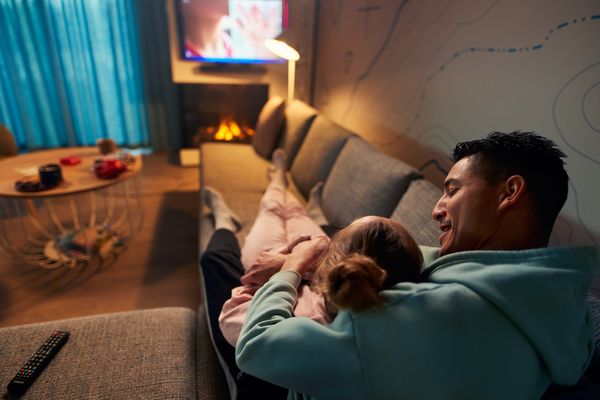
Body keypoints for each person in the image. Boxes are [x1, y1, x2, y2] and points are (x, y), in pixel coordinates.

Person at [222, 131, 599, 399]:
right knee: (293, 225)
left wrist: (293, 265)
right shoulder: (556, 306)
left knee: (219, 264)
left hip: (273, 371)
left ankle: (230, 218)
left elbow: (259, 345)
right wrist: (318, 250)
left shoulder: (429, 320)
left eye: (452, 190)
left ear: (510, 192)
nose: (436, 210)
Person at [207, 150, 422, 347]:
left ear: (334, 259)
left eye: (341, 233)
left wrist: (286, 264)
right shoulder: (354, 293)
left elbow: (233, 317)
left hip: (275, 264)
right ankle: (287, 188)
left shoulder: (307, 322)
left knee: (271, 211)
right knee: (295, 214)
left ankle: (277, 181)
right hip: (309, 265)